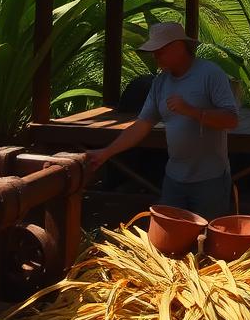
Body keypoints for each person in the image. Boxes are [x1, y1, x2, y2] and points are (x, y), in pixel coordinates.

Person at [86, 21, 240, 220]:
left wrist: (192, 111)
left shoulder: (210, 74)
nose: (155, 56)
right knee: (170, 241)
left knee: (209, 240)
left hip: (210, 179)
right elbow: (142, 125)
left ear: (178, 47)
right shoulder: (160, 83)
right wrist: (106, 153)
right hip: (174, 179)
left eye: (159, 50)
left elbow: (231, 120)